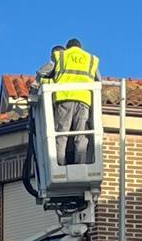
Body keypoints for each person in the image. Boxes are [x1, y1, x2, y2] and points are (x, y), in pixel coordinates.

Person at [37, 37, 100, 165]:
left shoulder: (61, 56)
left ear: (68, 47)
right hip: (84, 100)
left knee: (61, 134)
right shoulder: (91, 59)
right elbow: (98, 81)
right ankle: (80, 164)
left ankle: (59, 164)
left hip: (64, 98)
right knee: (81, 134)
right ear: (80, 48)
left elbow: (41, 73)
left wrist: (47, 82)